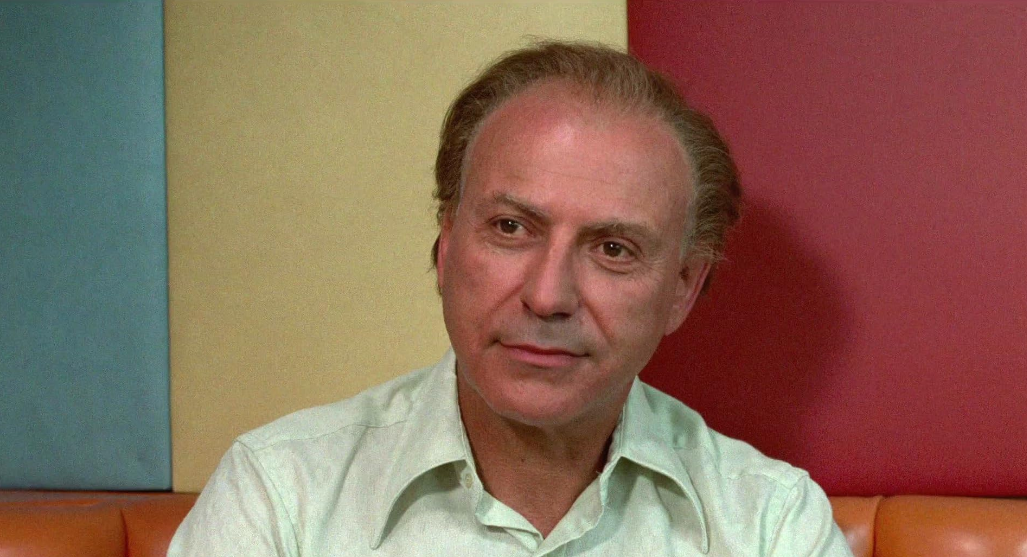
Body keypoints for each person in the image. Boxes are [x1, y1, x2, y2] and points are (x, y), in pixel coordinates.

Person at [168, 40, 853, 556]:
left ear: (683, 288)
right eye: (510, 228)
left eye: (613, 249)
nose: (548, 296)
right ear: (445, 246)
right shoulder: (280, 495)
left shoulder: (771, 525)